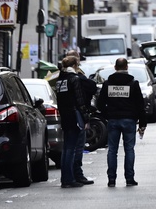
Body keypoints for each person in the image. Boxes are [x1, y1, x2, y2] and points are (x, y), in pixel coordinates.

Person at [96, 57, 146, 187]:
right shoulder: (133, 83)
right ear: (127, 67)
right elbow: (141, 105)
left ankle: (111, 179)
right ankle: (129, 178)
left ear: (115, 68)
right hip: (129, 120)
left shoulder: (108, 84)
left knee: (112, 150)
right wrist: (142, 123)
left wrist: (107, 114)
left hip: (113, 120)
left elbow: (100, 103)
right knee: (129, 149)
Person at [55, 56, 90, 188]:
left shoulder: (60, 80)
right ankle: (69, 179)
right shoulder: (74, 79)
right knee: (72, 148)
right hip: (74, 115)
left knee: (66, 148)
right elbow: (79, 100)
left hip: (65, 115)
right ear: (74, 65)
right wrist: (85, 118)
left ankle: (65, 177)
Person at [66, 50, 97, 185]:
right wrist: (85, 115)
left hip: (67, 114)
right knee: (77, 146)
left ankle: (68, 177)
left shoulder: (62, 76)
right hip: (77, 113)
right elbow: (89, 88)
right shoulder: (76, 77)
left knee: (69, 148)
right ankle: (76, 175)